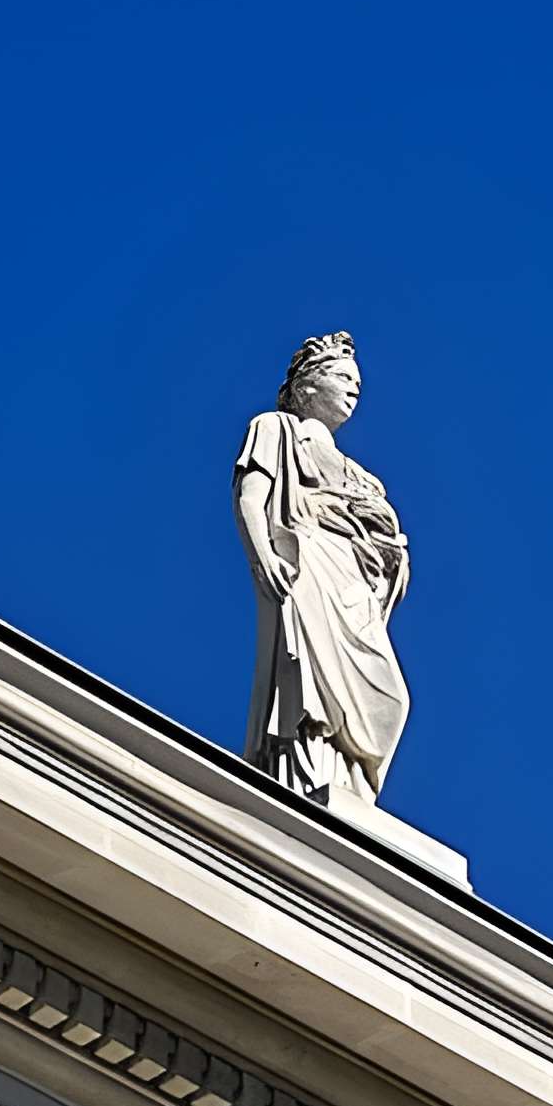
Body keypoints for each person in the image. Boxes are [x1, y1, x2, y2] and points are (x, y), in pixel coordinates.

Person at [235, 333, 412, 808]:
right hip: (307, 561)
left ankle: (351, 788)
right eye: (342, 377)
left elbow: (384, 545)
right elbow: (252, 498)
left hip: (353, 583)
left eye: (358, 382)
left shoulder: (362, 475)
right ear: (308, 387)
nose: (354, 390)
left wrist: (391, 554)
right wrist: (263, 555)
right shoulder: (276, 429)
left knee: (391, 701)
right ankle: (307, 772)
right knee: (309, 686)